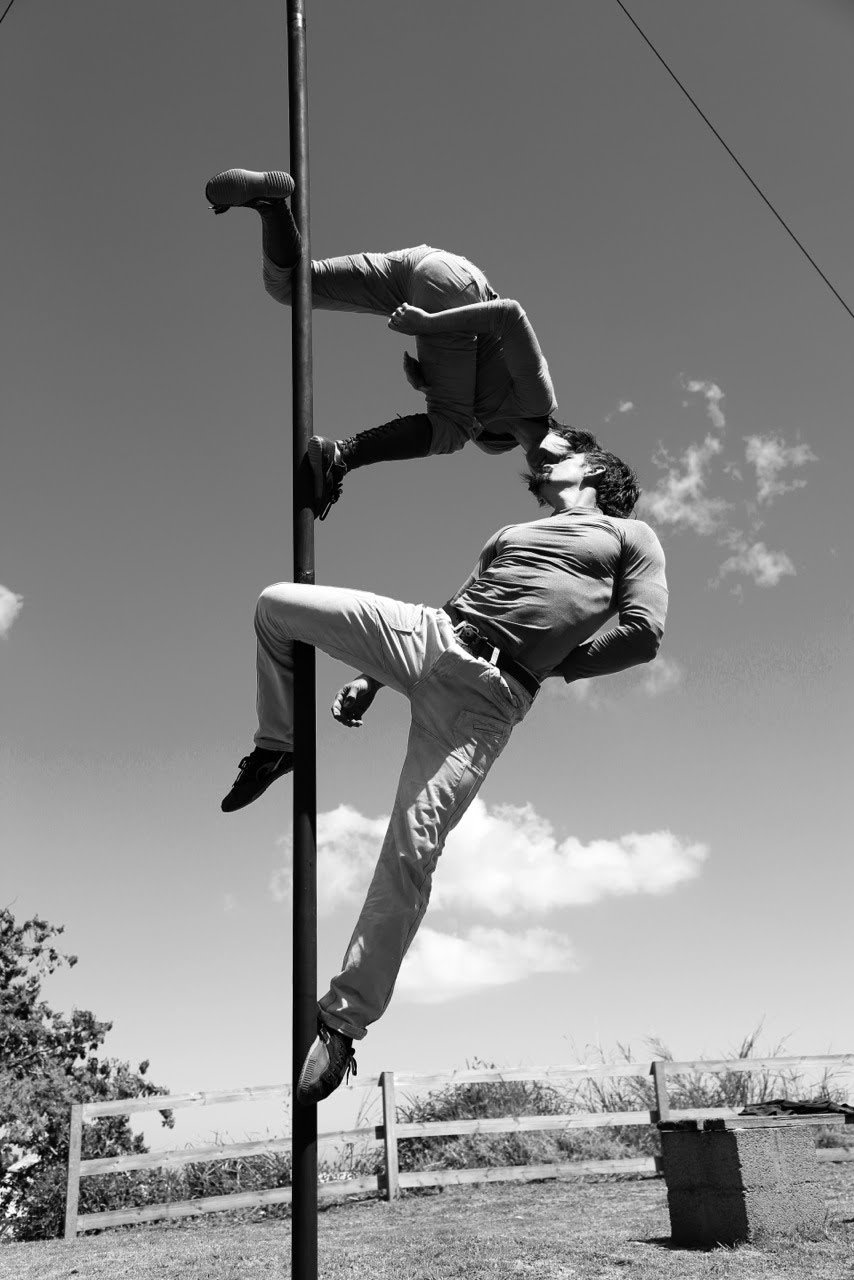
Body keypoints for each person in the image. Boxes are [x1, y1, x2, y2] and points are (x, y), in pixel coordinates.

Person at [219, 426, 669, 1104]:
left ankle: (342, 1025)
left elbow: (644, 634)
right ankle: (278, 741)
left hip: (485, 702)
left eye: (558, 451)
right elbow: (459, 604)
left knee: (411, 850)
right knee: (277, 606)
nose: (537, 458)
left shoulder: (630, 536)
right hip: (430, 635)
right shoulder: (510, 533)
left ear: (597, 469)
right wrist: (370, 679)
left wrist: (551, 663)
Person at [205, 168, 561, 519]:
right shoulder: (537, 401)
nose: (547, 466)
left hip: (420, 268)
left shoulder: (492, 442)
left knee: (291, 286)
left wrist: (427, 381)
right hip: (454, 286)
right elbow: (508, 315)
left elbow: (468, 372)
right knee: (451, 429)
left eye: (545, 475)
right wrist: (428, 323)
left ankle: (271, 203)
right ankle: (343, 455)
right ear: (573, 442)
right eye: (561, 458)